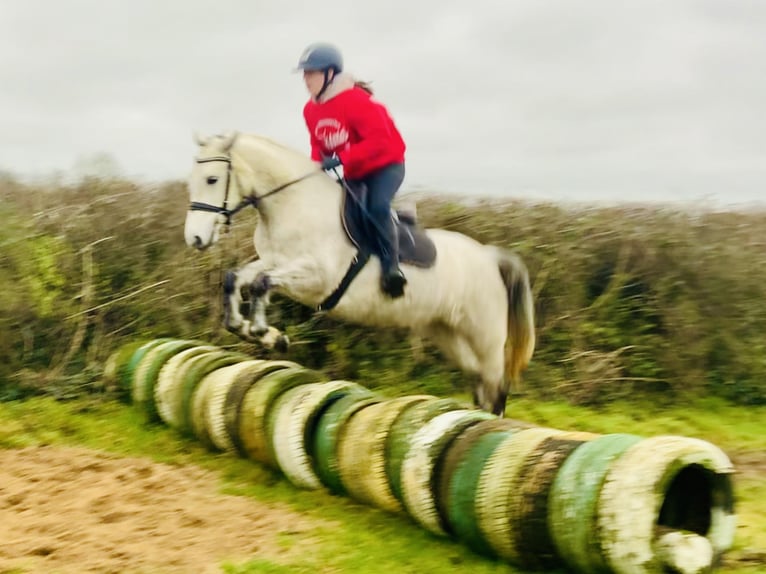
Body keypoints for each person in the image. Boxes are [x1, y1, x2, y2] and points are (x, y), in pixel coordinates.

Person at [295, 42, 408, 299]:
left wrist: (343, 158)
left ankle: (392, 269)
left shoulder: (357, 101)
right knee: (342, 209)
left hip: (386, 165)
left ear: (330, 74)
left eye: (310, 72)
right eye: (304, 73)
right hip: (356, 169)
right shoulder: (310, 110)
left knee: (377, 206)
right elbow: (318, 144)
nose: (305, 79)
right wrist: (316, 169)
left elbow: (380, 142)